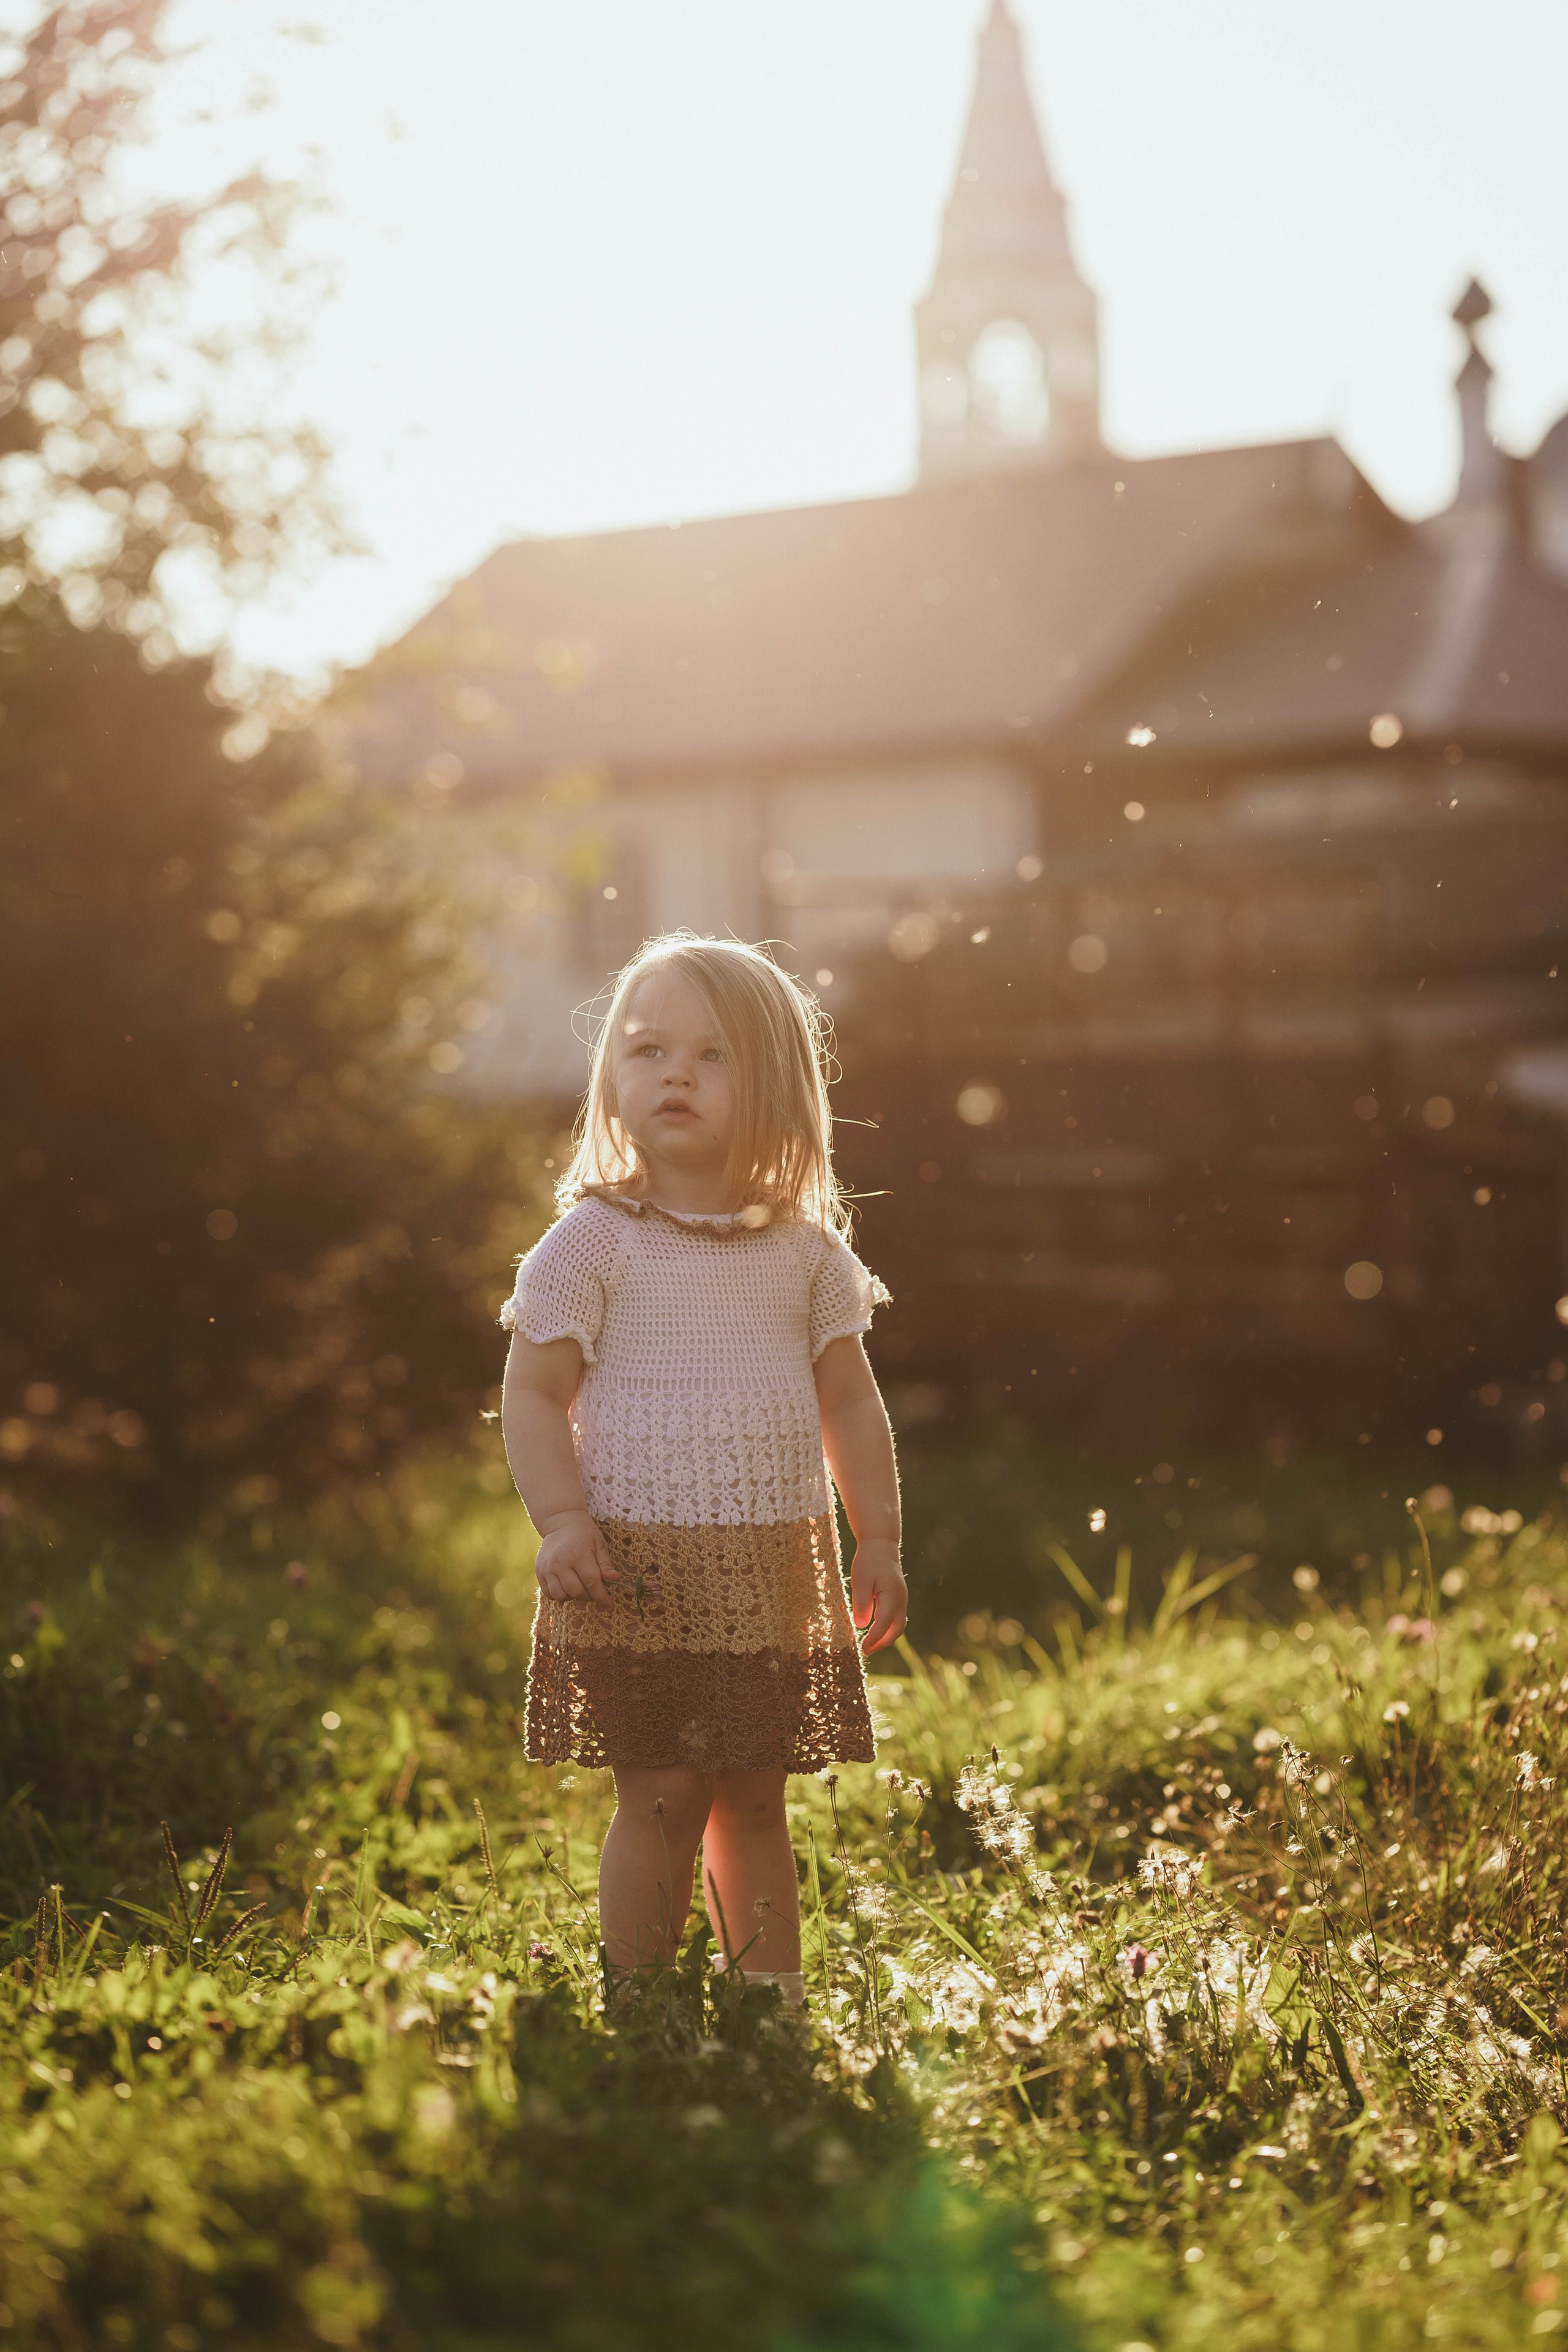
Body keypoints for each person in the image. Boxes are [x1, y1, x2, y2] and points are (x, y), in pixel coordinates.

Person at [499, 933, 906, 2005]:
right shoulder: (595, 1242)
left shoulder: (803, 1252)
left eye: (713, 1055)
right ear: (612, 1080)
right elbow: (533, 1394)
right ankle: (640, 2002)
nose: (674, 1074)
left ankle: (766, 2001)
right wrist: (561, 1519)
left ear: (774, 1081)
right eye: (647, 1050)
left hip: (772, 1562)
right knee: (668, 1793)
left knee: (754, 1797)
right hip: (637, 1563)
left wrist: (879, 1536)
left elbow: (851, 1403)